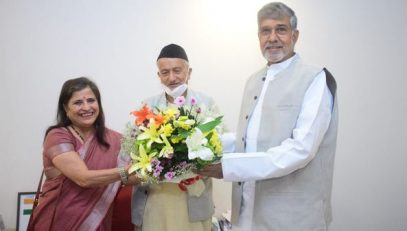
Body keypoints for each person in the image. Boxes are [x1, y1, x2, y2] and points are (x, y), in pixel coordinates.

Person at [197, 2, 338, 231]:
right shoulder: (253, 81)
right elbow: (248, 138)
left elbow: (301, 149)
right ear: (258, 36)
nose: (272, 37)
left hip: (292, 218)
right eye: (266, 30)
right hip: (247, 213)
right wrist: (199, 145)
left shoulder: (315, 79)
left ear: (295, 35)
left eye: (281, 29)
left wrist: (227, 167)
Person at [29, 77, 139, 231]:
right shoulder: (57, 136)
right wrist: (126, 170)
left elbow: (129, 179)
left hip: (97, 222)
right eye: (78, 102)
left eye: (91, 100)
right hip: (59, 221)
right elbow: (83, 178)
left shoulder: (115, 140)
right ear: (66, 108)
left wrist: (157, 169)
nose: (86, 107)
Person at [131, 44, 219, 231]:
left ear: (189, 72)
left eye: (177, 71)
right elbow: (136, 149)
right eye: (165, 72)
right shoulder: (147, 106)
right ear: (159, 76)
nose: (171, 78)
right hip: (156, 197)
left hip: (193, 195)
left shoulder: (206, 103)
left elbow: (217, 147)